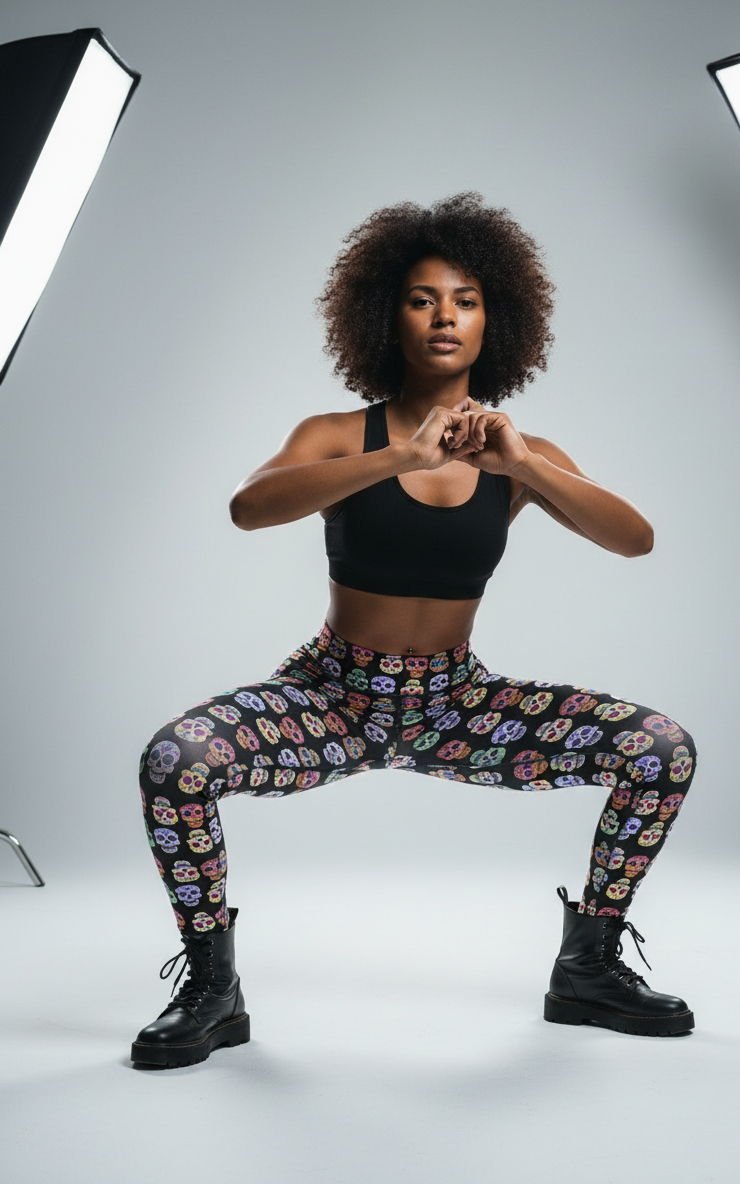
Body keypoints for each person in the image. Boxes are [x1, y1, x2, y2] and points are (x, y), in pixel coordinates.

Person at [131, 193, 697, 1068]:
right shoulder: (335, 434)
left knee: (660, 749)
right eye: (422, 297)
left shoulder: (519, 455)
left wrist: (523, 464)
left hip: (458, 705)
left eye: (466, 299)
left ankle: (588, 969)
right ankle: (213, 988)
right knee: (177, 760)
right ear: (384, 316)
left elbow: (636, 539)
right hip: (331, 698)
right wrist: (400, 457)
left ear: (493, 320)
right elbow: (249, 509)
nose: (445, 316)